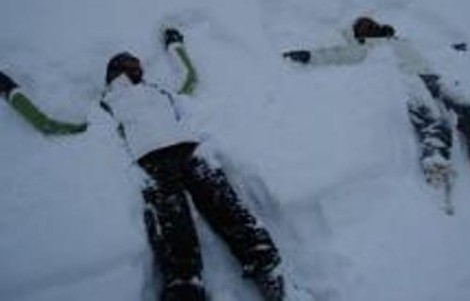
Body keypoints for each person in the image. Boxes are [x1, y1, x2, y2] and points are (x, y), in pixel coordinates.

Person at [0, 28, 286, 301]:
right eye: (131, 63)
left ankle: (264, 262)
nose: (138, 68)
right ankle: (185, 288)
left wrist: (175, 44)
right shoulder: (107, 102)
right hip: (153, 164)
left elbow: (189, 78)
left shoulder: (160, 91)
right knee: (175, 229)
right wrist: (10, 91)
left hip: (190, 151)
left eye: (138, 63)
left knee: (226, 205)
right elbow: (50, 124)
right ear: (115, 70)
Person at [282, 16, 470, 194]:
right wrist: (309, 56)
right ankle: (436, 164)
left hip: (432, 77)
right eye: (361, 25)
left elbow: (431, 47)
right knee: (434, 121)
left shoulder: (397, 40)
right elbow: (337, 54)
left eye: (369, 23)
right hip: (409, 81)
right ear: (357, 33)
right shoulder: (365, 47)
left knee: (468, 108)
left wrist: (454, 48)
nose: (367, 26)